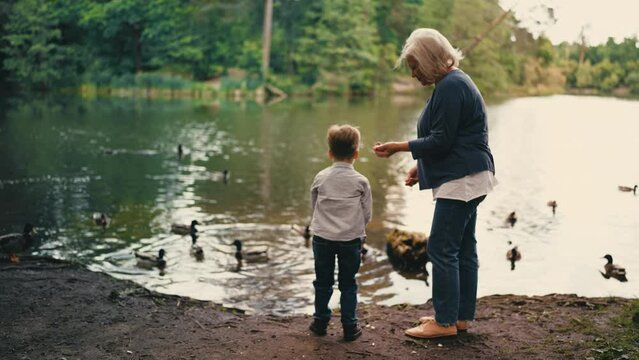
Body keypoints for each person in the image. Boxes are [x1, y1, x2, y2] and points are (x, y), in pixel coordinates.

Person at [372, 28, 496, 339]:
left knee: (441, 247)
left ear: (429, 60)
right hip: (470, 175)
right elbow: (450, 138)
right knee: (463, 247)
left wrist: (399, 147)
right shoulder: (452, 83)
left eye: (415, 66)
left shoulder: (452, 86)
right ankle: (459, 317)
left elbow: (441, 141)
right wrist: (419, 166)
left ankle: (443, 323)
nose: (413, 75)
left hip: (462, 179)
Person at [308, 124, 372, 342]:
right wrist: (354, 228)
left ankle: (320, 322)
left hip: (322, 239)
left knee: (322, 282)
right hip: (350, 241)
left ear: (330, 153)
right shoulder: (361, 181)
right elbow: (367, 213)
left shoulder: (321, 177)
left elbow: (314, 206)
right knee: (348, 283)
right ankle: (349, 327)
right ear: (356, 154)